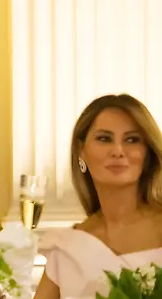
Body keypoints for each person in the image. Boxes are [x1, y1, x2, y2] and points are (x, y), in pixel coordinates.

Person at [34, 94, 162, 299]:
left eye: (132, 140)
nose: (118, 151)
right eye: (104, 139)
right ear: (81, 150)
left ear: (147, 154)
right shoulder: (65, 248)